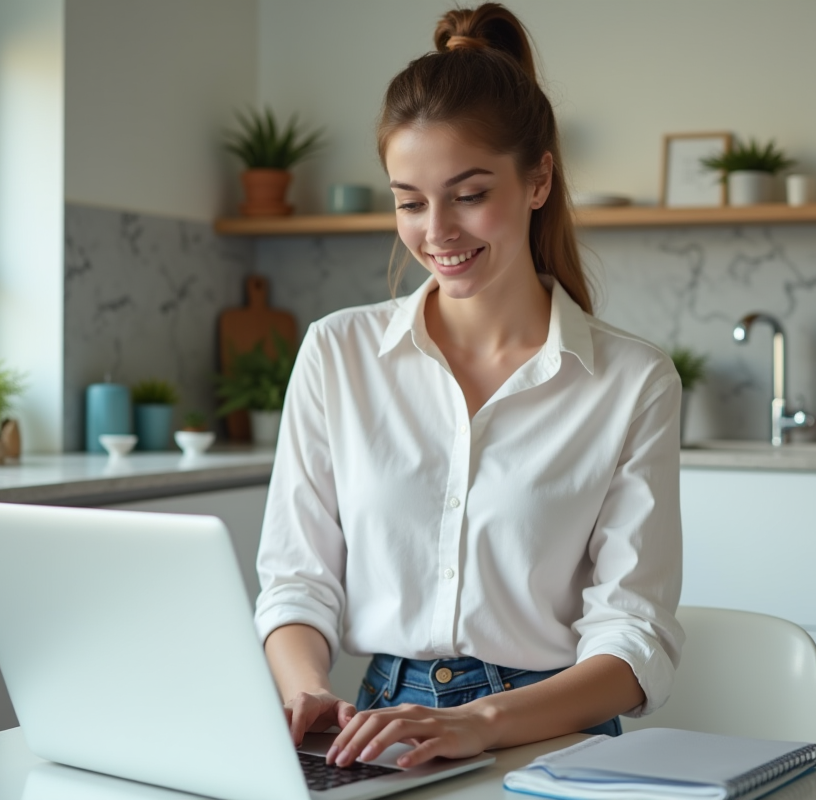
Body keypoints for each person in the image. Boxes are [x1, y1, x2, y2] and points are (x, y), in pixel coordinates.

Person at [254, 2, 683, 771]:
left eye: (470, 193)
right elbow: (296, 581)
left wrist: (480, 721)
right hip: (377, 730)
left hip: (551, 734)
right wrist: (305, 688)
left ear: (539, 178)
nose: (438, 232)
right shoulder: (336, 352)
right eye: (410, 202)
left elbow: (633, 639)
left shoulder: (631, 380)